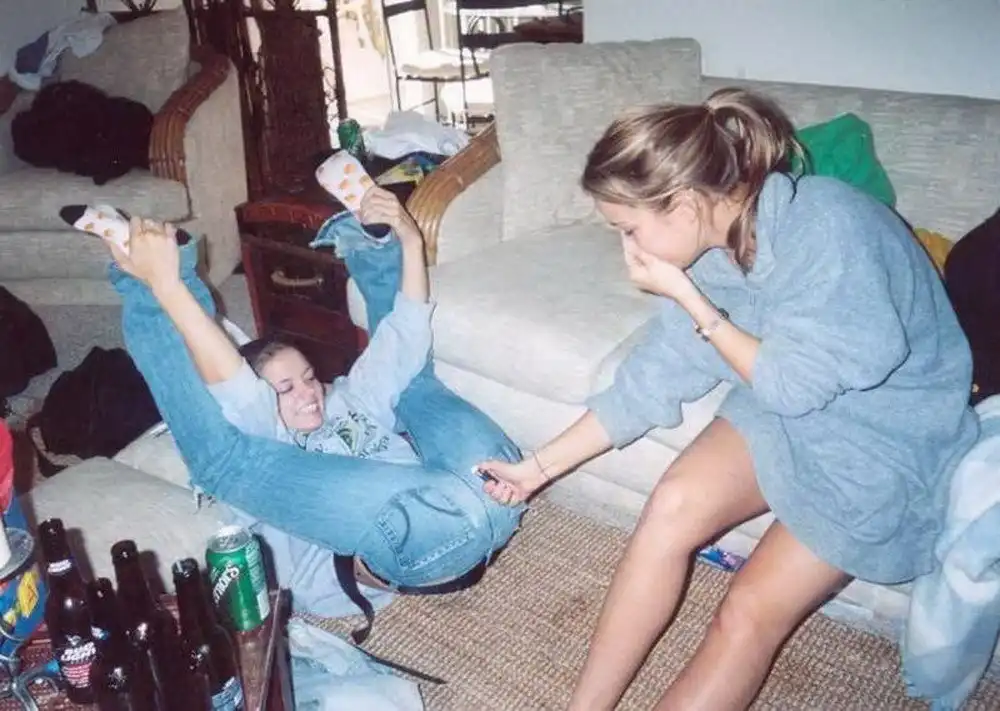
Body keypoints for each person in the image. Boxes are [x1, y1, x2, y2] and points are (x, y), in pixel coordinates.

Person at [477, 87, 979, 711]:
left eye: (629, 229)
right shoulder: (714, 247)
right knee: (670, 507)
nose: (627, 251)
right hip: (780, 395)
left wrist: (692, 303)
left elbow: (793, 386)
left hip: (885, 440)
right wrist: (537, 468)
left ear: (686, 204)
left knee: (744, 615)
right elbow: (653, 379)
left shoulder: (829, 227)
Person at [96, 186, 525, 618]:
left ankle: (371, 243)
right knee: (439, 503)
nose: (308, 393)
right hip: (421, 545)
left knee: (416, 382)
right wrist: (169, 287)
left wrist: (409, 240)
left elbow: (405, 334)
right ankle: (156, 284)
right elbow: (236, 387)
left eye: (308, 377)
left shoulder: (347, 400)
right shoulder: (263, 437)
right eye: (285, 389)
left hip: (491, 505)